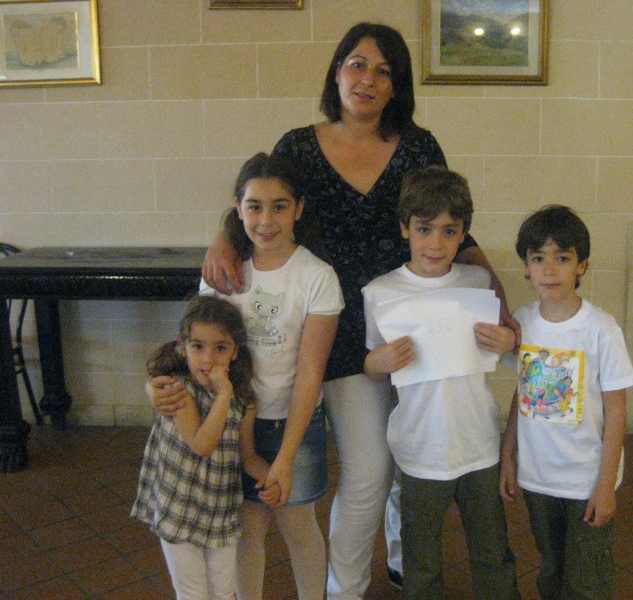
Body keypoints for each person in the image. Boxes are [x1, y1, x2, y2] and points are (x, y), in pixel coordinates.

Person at [180, 22, 519, 600]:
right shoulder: (298, 146)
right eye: (357, 64)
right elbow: (261, 202)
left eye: (384, 71)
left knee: (410, 456)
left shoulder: (418, 146)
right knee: (368, 472)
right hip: (334, 335)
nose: (368, 79)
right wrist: (221, 236)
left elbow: (452, 225)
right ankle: (346, 588)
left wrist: (498, 295)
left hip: (413, 331)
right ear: (337, 72)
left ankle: (401, 560)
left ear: (397, 85)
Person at [362, 165, 519, 600]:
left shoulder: (478, 281)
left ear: (463, 233)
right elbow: (374, 367)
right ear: (405, 228)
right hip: (419, 448)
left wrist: (508, 340)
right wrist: (377, 361)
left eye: (449, 231)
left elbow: (506, 346)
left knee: (492, 549)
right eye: (424, 229)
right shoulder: (380, 292)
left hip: (478, 443)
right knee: (420, 556)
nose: (435, 243)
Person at [207, 152, 343, 600]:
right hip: (234, 420)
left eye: (279, 206)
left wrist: (284, 457)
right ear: (238, 207)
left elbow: (310, 372)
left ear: (299, 208)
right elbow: (202, 353)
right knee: (247, 528)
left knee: (297, 523)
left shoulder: (317, 276)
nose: (266, 221)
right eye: (254, 206)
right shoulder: (224, 273)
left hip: (293, 422)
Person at [499, 205, 633, 600]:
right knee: (551, 568)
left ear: (581, 265)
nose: (549, 270)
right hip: (538, 477)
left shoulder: (600, 329)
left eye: (562, 258)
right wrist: (507, 456)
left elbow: (616, 410)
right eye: (538, 258)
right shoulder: (523, 321)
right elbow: (522, 393)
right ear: (526, 267)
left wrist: (605, 486)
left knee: (587, 578)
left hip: (585, 479)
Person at [131, 295, 278, 600]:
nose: (208, 359)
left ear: (235, 351)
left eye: (220, 347)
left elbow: (247, 455)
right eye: (198, 346)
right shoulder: (178, 391)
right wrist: (223, 395)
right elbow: (202, 444)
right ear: (182, 347)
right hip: (179, 507)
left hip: (220, 511)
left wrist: (271, 477)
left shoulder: (243, 401)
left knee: (224, 591)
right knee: (193, 593)